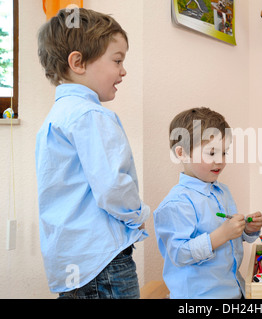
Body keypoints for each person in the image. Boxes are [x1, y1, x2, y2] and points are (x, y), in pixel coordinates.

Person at [36, 8, 149, 299]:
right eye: (117, 60)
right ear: (79, 62)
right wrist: (137, 215)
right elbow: (112, 185)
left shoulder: (55, 117)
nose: (123, 71)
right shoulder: (90, 114)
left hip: (72, 263)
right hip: (103, 261)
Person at [153, 107, 262, 299]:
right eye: (211, 153)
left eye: (224, 153)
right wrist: (221, 234)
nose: (220, 161)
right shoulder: (177, 203)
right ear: (182, 153)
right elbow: (179, 254)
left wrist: (247, 229)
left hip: (233, 290)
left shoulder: (223, 191)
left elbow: (231, 239)